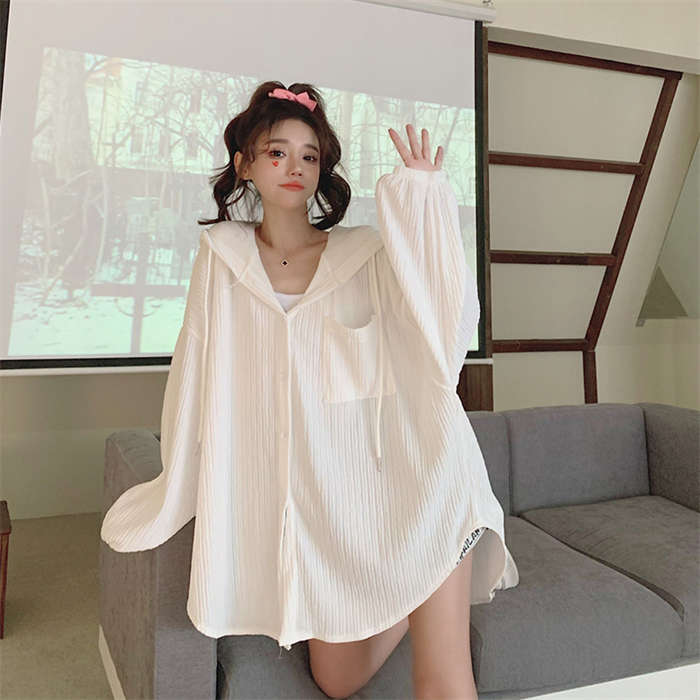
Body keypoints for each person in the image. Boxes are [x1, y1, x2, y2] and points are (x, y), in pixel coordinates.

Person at [101, 81, 519, 699]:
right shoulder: (222, 257)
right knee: (336, 677)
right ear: (245, 164)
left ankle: (429, 574)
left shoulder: (366, 254)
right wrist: (181, 478)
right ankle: (411, 592)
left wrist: (425, 202)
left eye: (309, 156)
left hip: (419, 483)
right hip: (334, 508)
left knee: (443, 679)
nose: (295, 167)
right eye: (277, 152)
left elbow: (441, 325)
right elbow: (195, 370)